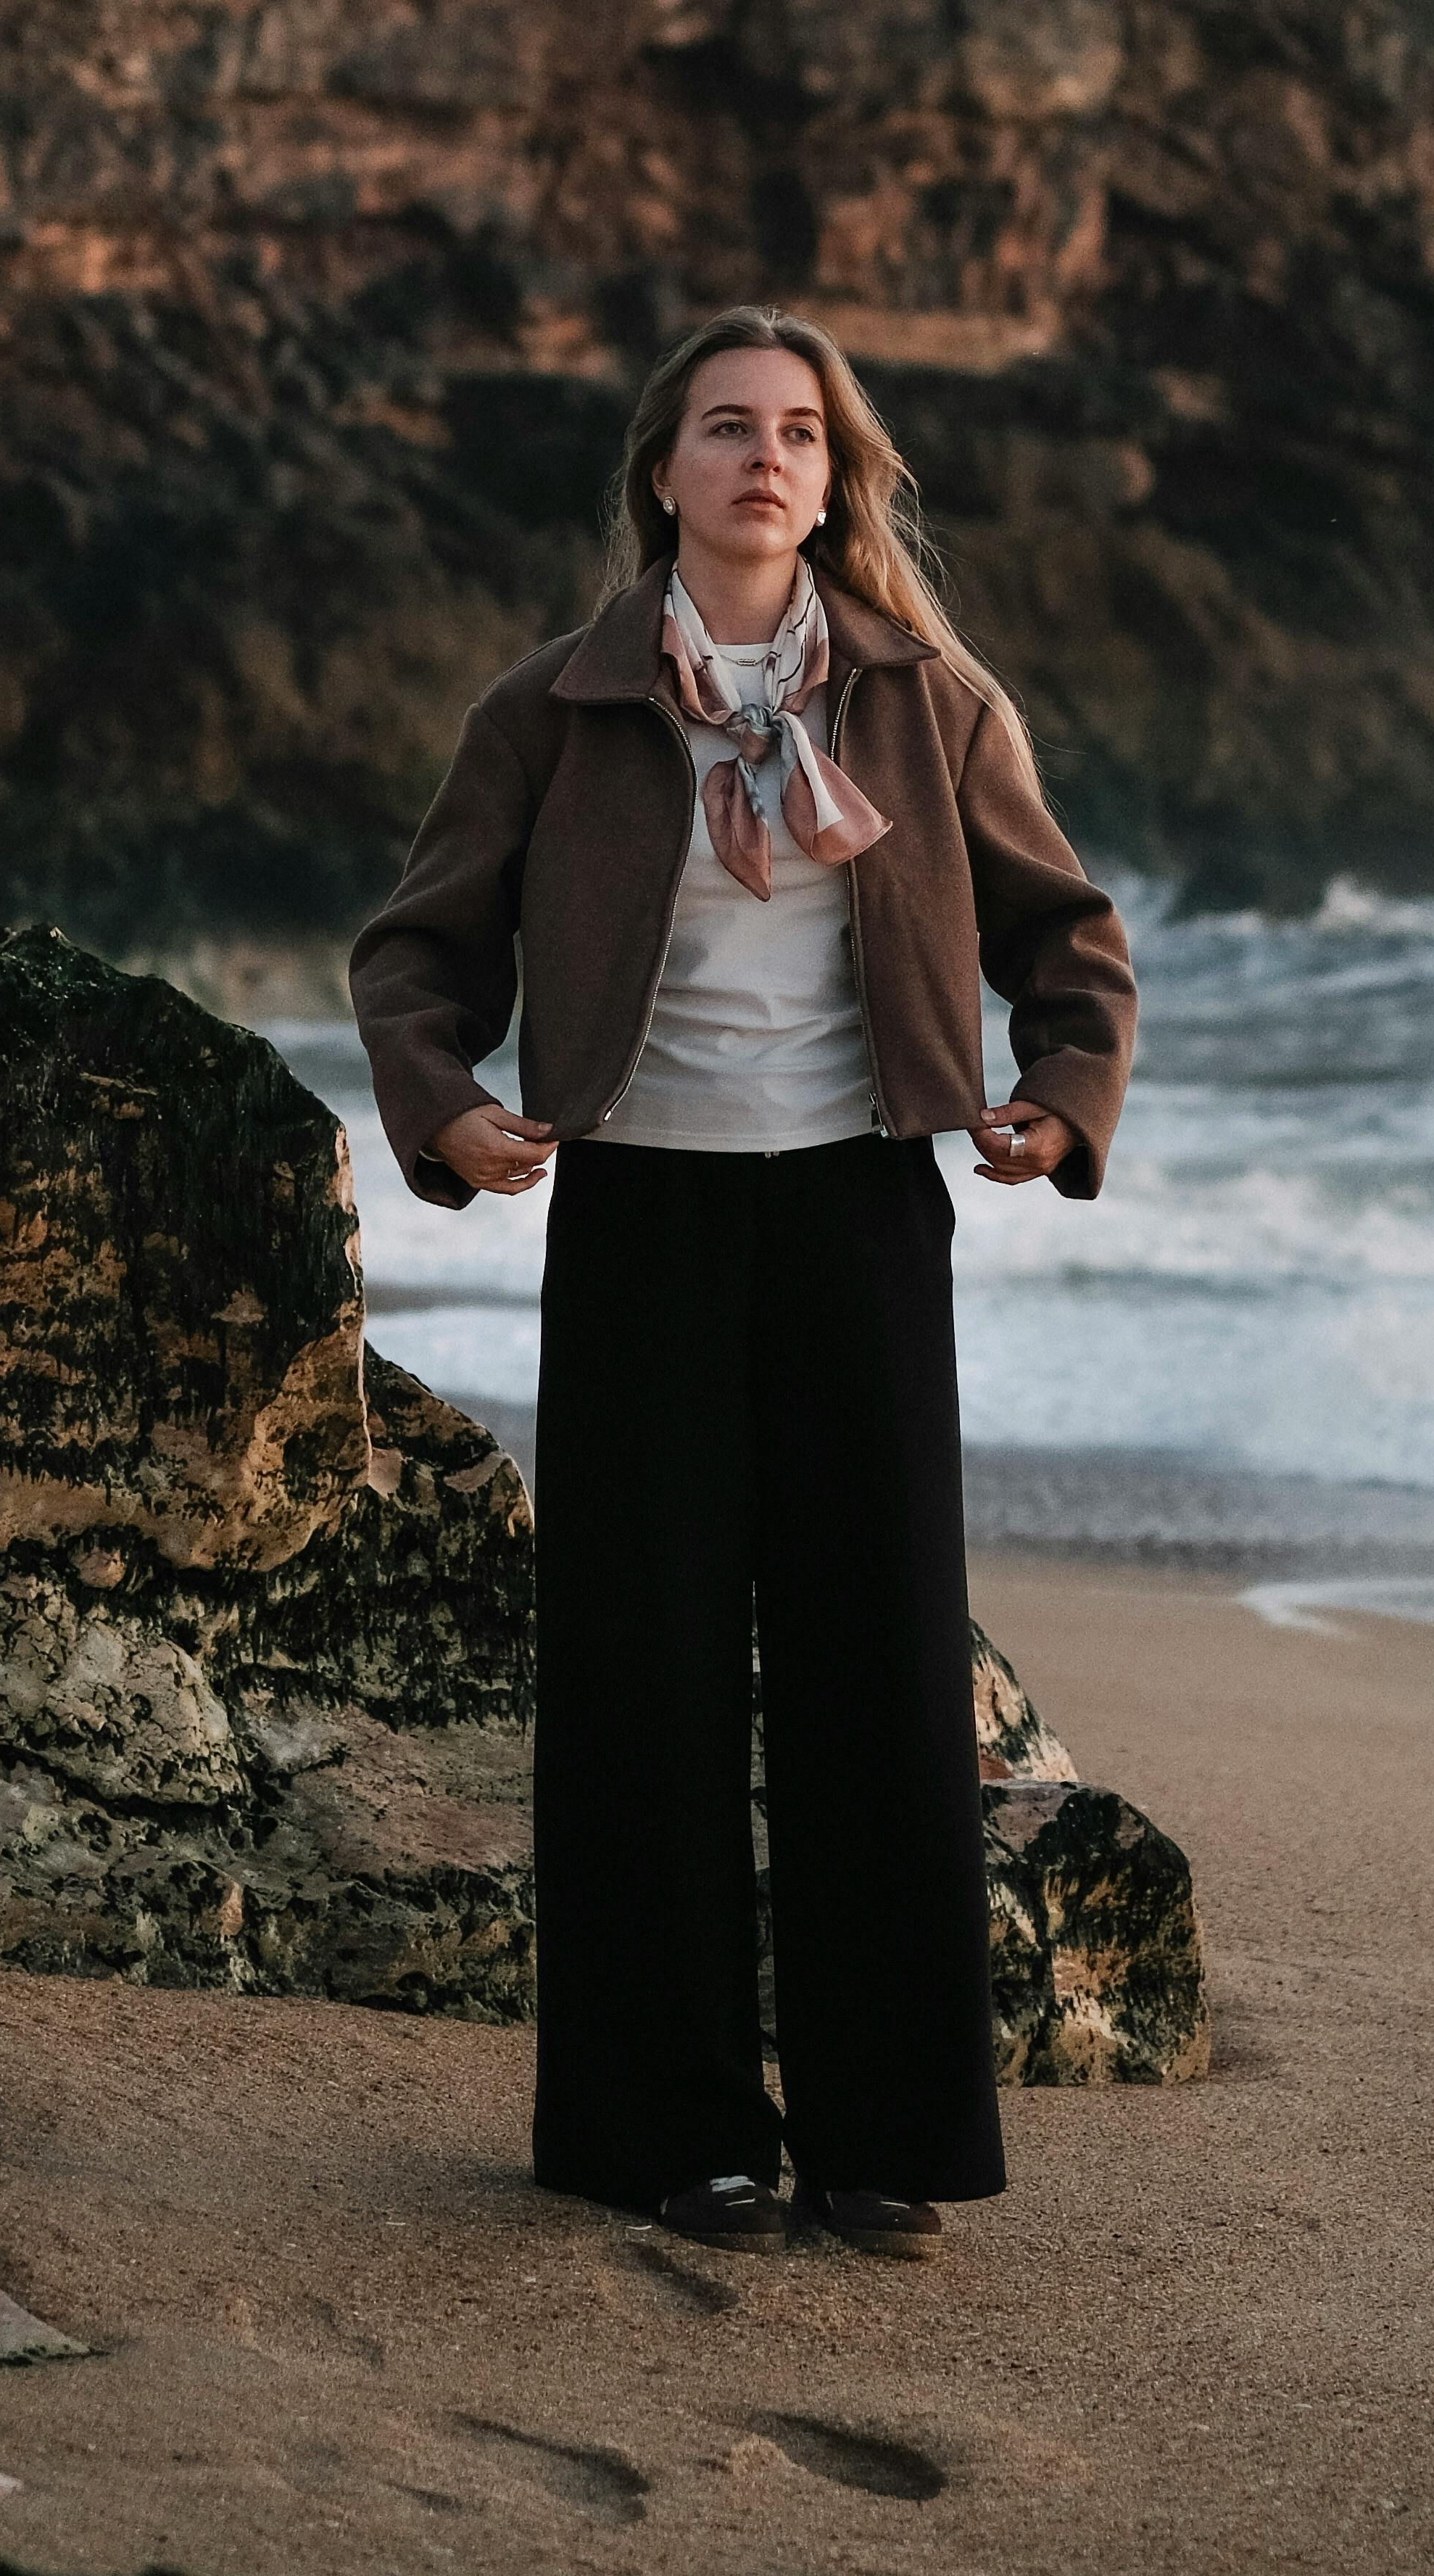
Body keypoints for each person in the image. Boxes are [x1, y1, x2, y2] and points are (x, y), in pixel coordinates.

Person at [350, 305, 1136, 2258]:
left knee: (878, 1678)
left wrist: (1058, 1093)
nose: (767, 459)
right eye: (728, 429)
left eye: (800, 432)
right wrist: (444, 1111)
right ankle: (669, 2132)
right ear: (664, 474)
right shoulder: (556, 708)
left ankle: (882, 2142)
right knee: (649, 1684)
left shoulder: (925, 700)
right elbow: (413, 951)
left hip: (864, 1217)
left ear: (835, 477)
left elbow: (1073, 933)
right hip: (646, 1220)